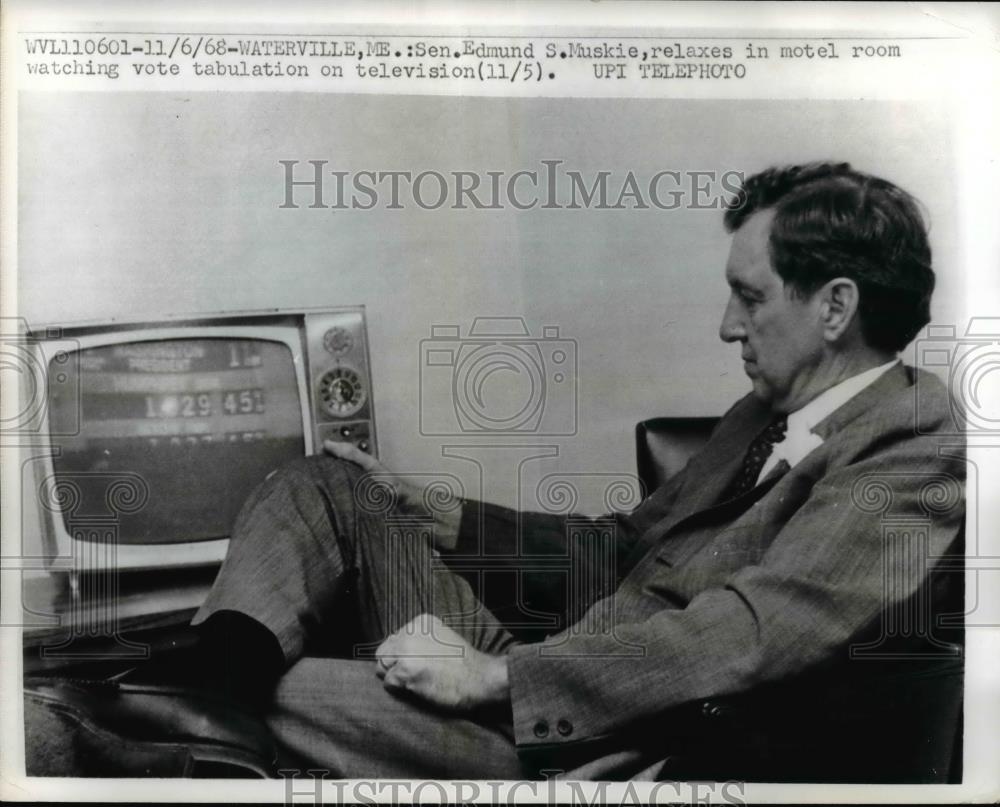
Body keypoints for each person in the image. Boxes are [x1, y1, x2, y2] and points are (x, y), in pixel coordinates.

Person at [32, 162, 966, 782]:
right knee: (324, 482)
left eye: (749, 296)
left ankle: (155, 710)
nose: (727, 326)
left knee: (189, 706)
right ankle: (206, 679)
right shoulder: (765, 413)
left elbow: (744, 636)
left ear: (835, 305)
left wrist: (494, 681)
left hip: (600, 733)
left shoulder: (911, 448)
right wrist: (424, 508)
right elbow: (616, 551)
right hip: (555, 667)